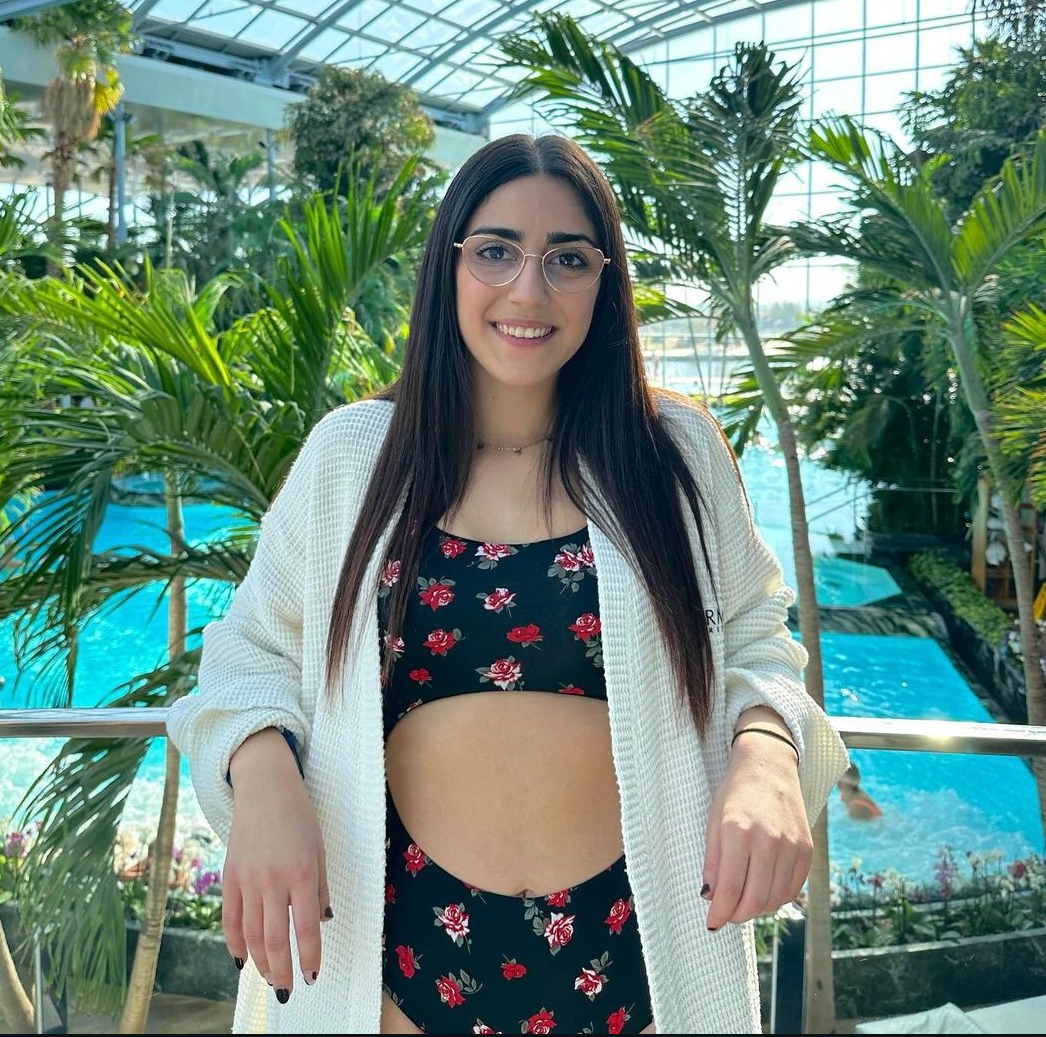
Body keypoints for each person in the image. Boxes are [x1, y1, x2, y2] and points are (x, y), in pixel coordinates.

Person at [167, 132, 849, 1035]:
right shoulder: (353, 458)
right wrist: (262, 774)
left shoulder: (672, 456)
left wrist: (766, 750)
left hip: (640, 962)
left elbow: (758, 636)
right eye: (495, 251)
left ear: (605, 282)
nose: (529, 290)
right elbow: (248, 649)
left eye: (567, 258)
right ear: (448, 265)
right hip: (396, 963)